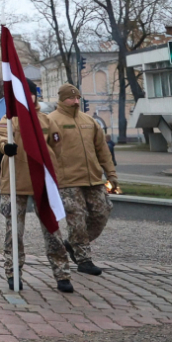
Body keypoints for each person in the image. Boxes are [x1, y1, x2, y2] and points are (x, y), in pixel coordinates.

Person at [0, 110, 74, 293]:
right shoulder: (8, 118)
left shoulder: (45, 119)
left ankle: (62, 274)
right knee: (14, 231)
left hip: (42, 181)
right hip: (15, 182)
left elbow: (57, 144)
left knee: (52, 229)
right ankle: (13, 272)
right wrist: (6, 146)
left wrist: (50, 163)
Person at [44, 83, 117, 279]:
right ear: (62, 99)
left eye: (78, 98)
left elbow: (103, 150)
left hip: (93, 179)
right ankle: (84, 259)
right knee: (77, 219)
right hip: (67, 181)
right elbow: (44, 152)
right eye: (71, 98)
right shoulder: (51, 121)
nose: (75, 101)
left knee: (102, 212)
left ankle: (72, 244)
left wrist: (111, 174)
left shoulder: (89, 122)